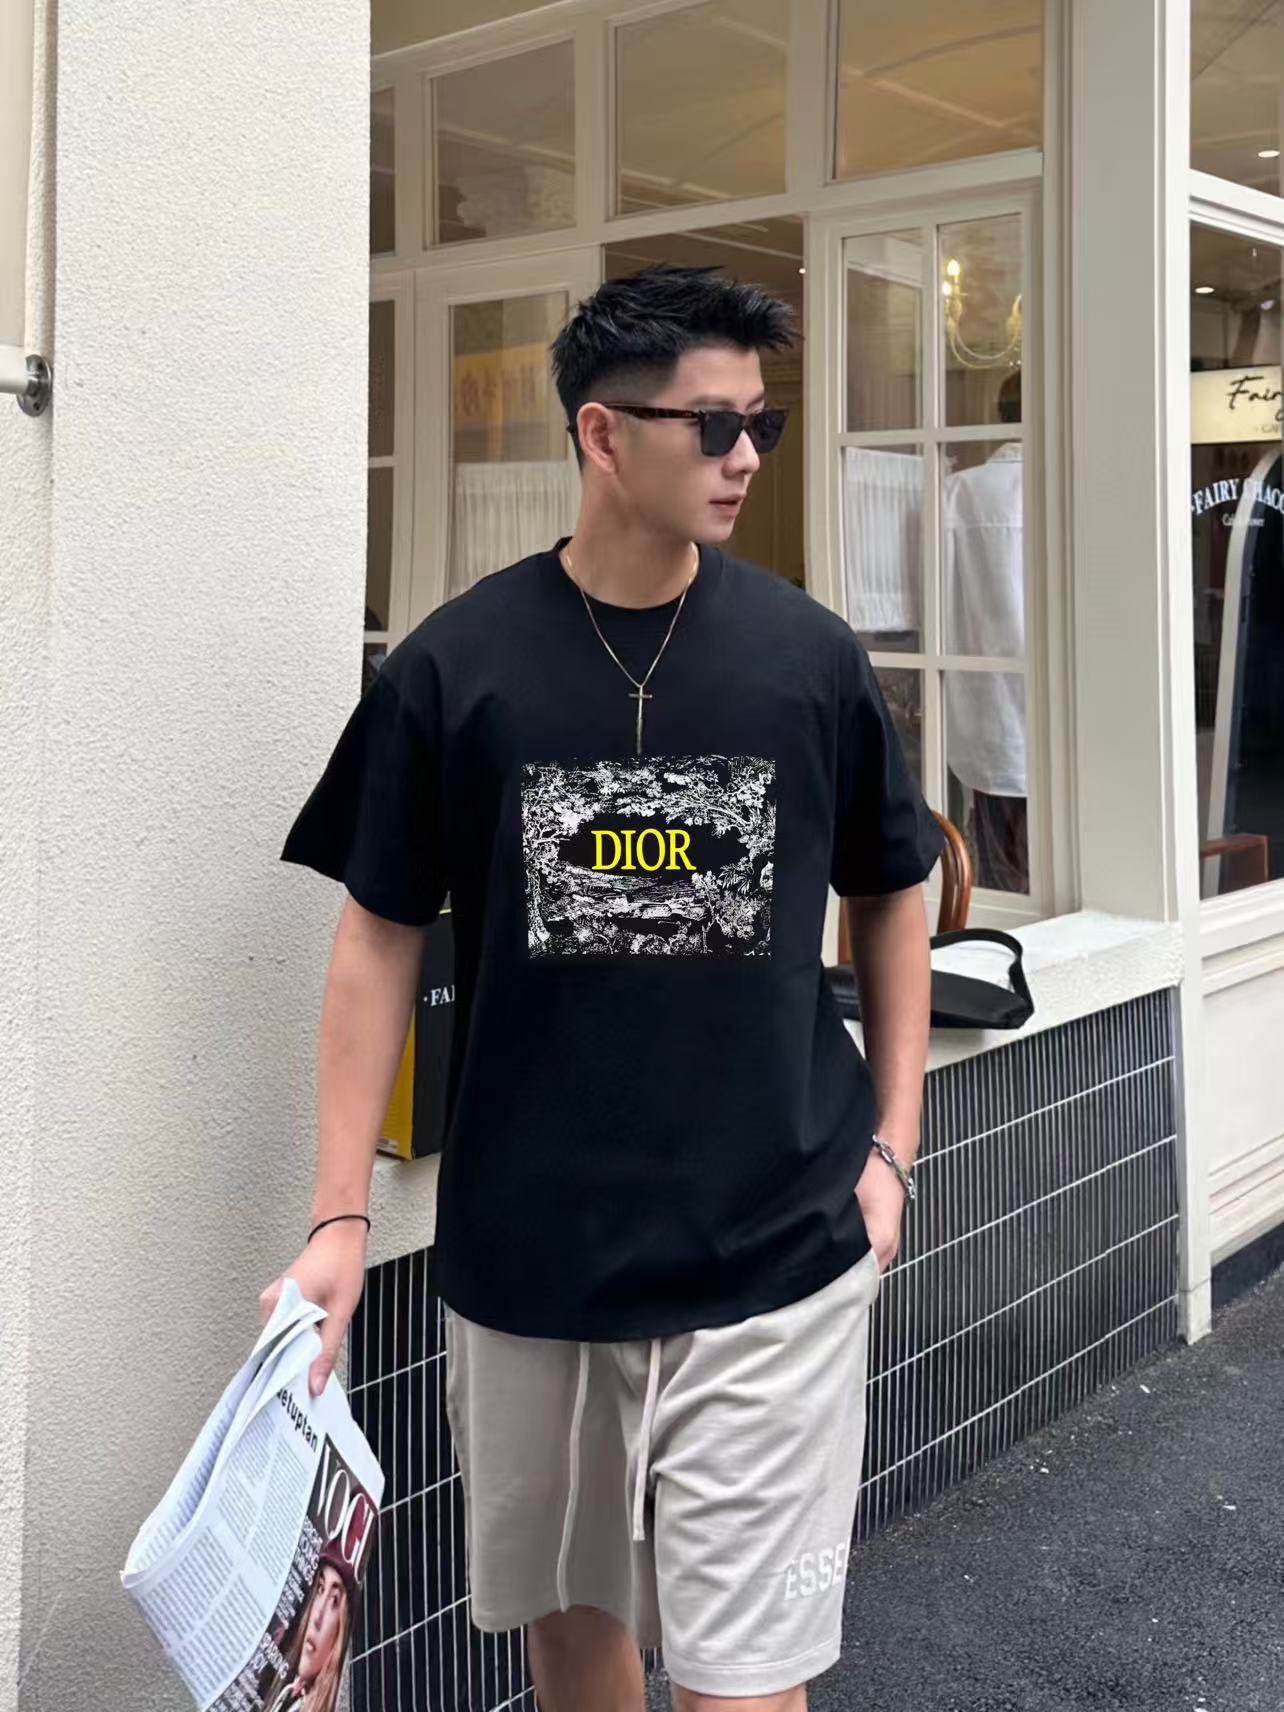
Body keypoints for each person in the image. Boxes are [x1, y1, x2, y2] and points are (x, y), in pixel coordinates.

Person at [262, 261, 943, 1712]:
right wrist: (337, 1218)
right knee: (575, 1641)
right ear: (601, 434)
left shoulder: (808, 660)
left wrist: (894, 1145)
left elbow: (895, 886)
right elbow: (376, 936)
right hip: (534, 1261)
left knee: (745, 1680)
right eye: (713, 425)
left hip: (776, 1249)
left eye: (759, 422)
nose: (746, 455)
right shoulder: (456, 669)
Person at [942, 369, 1028, 893]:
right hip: (1073, 722)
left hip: (987, 716)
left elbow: (933, 602)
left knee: (1002, 883)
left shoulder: (961, 492)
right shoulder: (1077, 487)